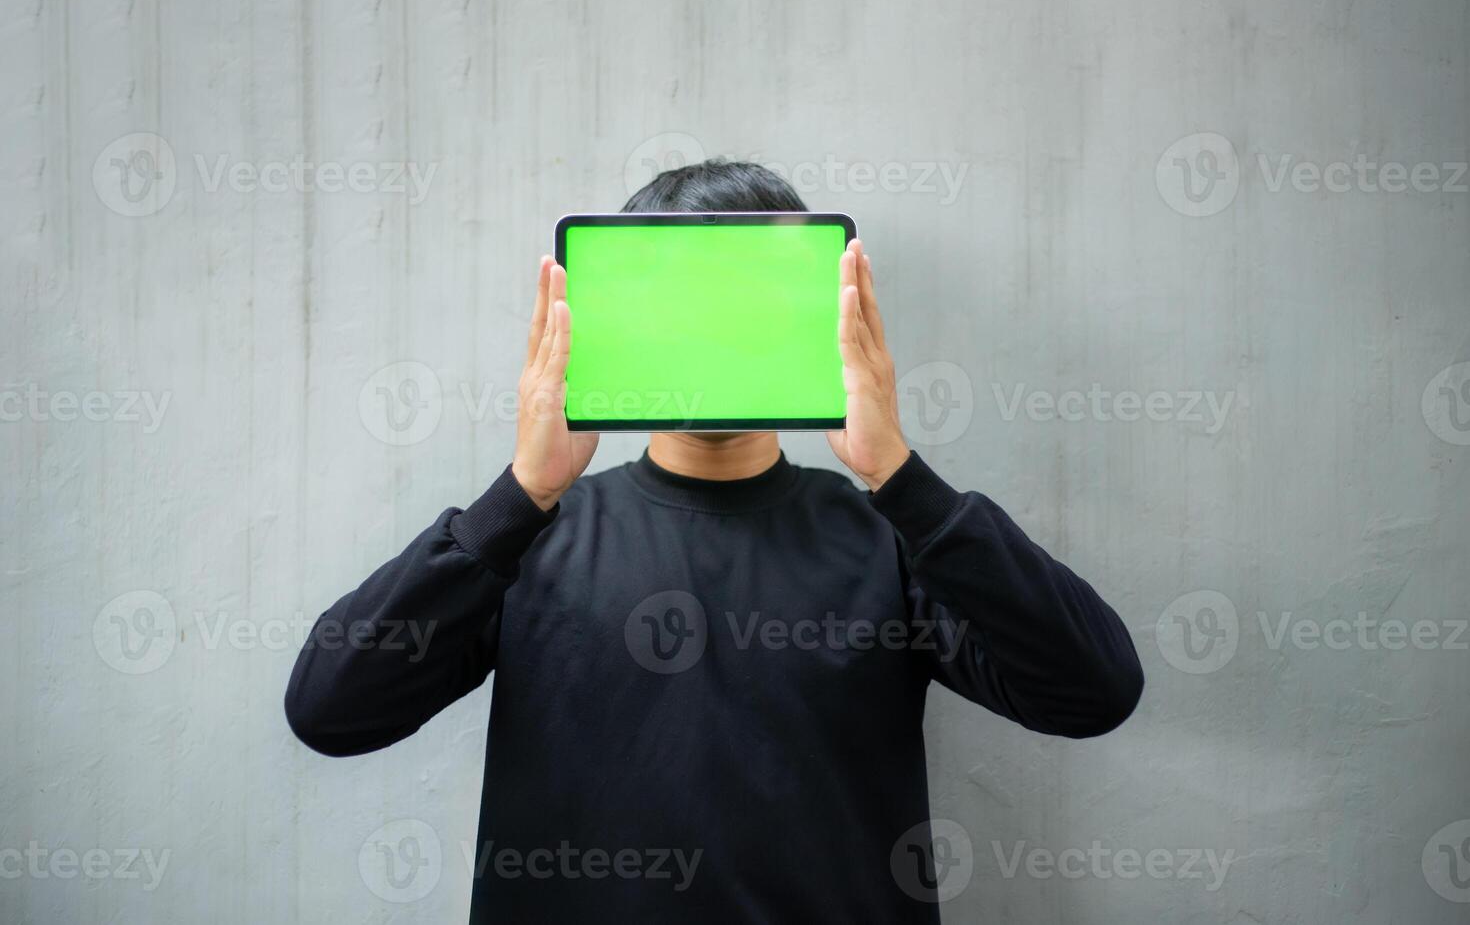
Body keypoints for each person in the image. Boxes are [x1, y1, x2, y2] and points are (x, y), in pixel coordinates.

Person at [284, 160, 1144, 923]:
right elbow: (329, 711)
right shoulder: (524, 543)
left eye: (748, 302)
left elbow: (1093, 690)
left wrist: (902, 478)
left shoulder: (888, 538)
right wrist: (520, 494)